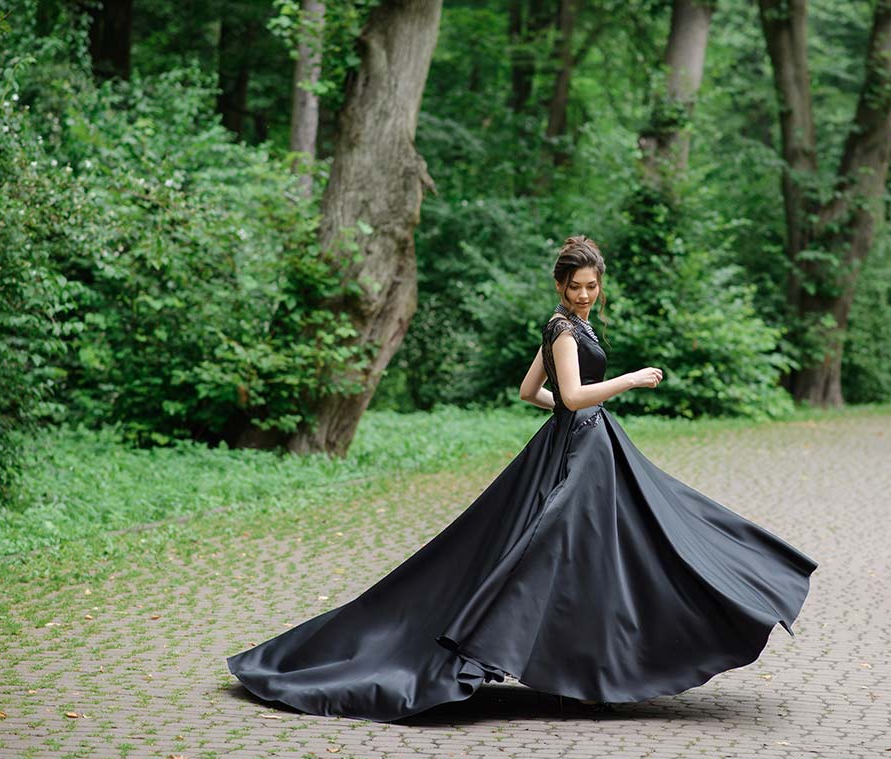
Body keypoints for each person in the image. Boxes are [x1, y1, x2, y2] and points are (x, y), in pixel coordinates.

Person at [226, 235, 818, 723]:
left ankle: (587, 668)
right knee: (554, 551)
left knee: (624, 542)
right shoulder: (563, 329)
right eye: (575, 287)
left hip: (584, 443)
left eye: (592, 287)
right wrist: (628, 382)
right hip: (579, 451)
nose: (585, 296)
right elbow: (573, 394)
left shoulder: (570, 326)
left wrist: (570, 412)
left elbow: (529, 392)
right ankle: (566, 667)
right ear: (560, 285)